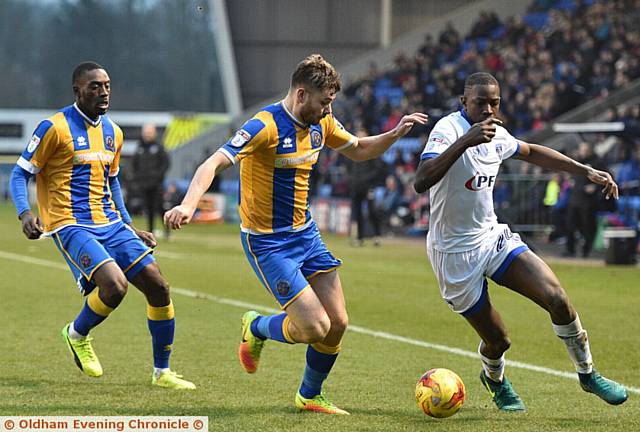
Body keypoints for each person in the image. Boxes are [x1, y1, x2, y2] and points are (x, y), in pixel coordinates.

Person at [165, 54, 427, 414]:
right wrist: (189, 205)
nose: (326, 110)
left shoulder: (323, 123)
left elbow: (359, 149)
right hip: (268, 243)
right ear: (301, 94)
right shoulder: (264, 127)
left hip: (306, 236)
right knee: (315, 327)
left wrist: (394, 135)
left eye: (330, 104)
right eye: (323, 103)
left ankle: (309, 395)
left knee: (338, 323)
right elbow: (213, 162)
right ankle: (256, 327)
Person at [413, 72, 627, 412]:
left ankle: (588, 374)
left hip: (491, 237)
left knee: (557, 297)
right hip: (453, 253)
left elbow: (531, 151)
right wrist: (465, 141)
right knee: (498, 340)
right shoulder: (448, 130)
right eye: (479, 102)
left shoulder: (497, 133)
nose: (487, 109)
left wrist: (584, 169)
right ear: (463, 102)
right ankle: (494, 379)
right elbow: (421, 181)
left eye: (493, 103)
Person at [9, 62, 194, 390]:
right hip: (70, 224)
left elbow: (113, 182)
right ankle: (77, 334)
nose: (103, 92)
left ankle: (161, 372)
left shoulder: (114, 132)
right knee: (115, 286)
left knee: (159, 288)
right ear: (77, 90)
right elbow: (19, 173)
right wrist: (25, 214)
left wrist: (129, 225)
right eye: (94, 86)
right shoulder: (53, 128)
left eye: (107, 85)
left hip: (110, 222)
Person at [349, 127, 386, 246]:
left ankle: (377, 235)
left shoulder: (372, 150)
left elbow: (377, 169)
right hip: (356, 187)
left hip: (368, 186)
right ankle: (360, 238)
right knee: (358, 212)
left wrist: (367, 179)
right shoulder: (352, 151)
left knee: (371, 211)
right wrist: (352, 180)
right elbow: (349, 169)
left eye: (362, 135)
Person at [132, 122, 170, 237]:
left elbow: (165, 163)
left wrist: (158, 176)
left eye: (149, 133)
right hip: (144, 184)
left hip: (156, 184)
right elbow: (135, 164)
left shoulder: (159, 147)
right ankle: (150, 230)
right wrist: (137, 177)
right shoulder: (139, 148)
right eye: (146, 133)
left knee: (160, 207)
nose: (147, 135)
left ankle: (167, 230)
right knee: (148, 209)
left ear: (154, 133)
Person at [565, 142, 601, 258]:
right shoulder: (577, 161)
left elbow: (605, 177)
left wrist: (595, 187)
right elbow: (570, 174)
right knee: (570, 225)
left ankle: (586, 251)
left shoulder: (597, 162)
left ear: (590, 150)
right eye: (582, 149)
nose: (583, 152)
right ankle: (570, 250)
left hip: (587, 202)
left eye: (585, 149)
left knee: (587, 226)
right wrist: (570, 180)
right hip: (575, 199)